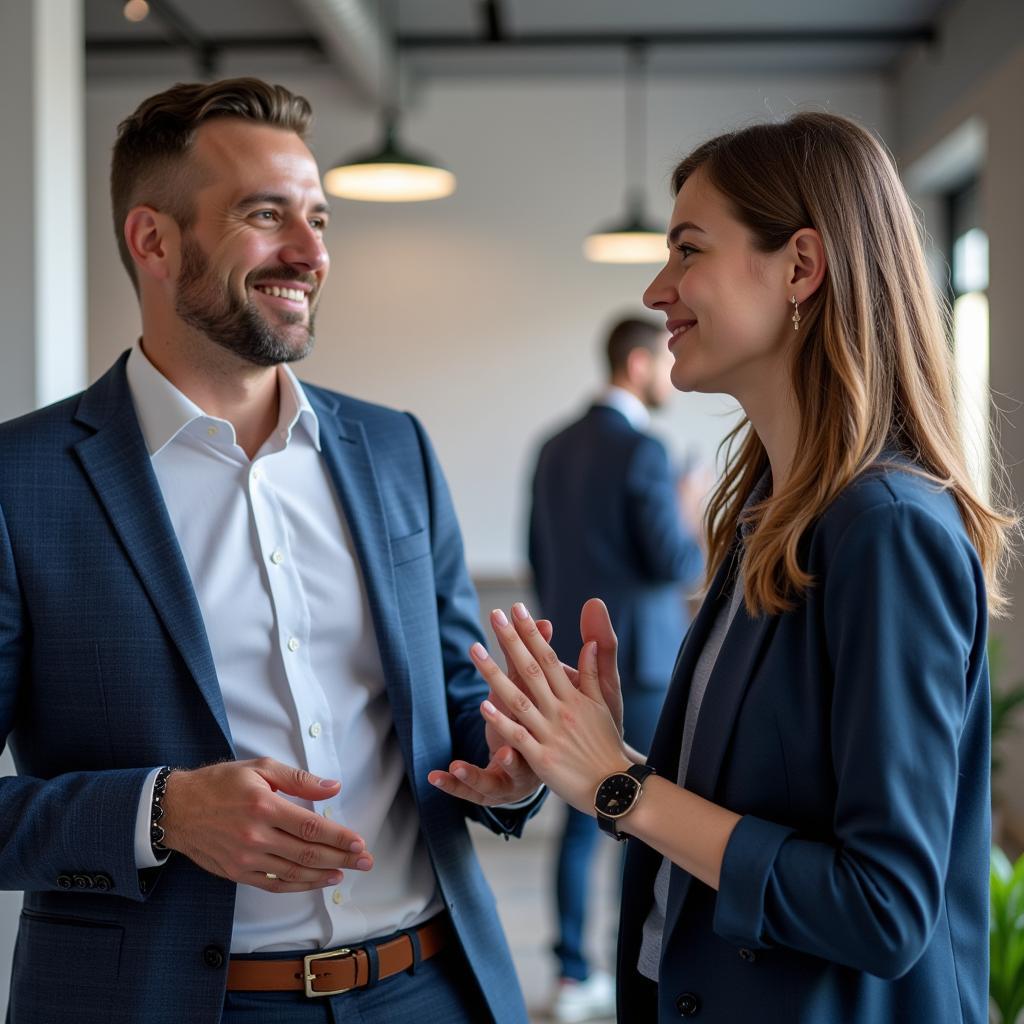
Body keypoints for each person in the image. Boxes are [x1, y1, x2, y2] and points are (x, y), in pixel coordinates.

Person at [435, 111, 1014, 1023]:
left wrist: (623, 787)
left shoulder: (886, 530)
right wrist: (586, 759)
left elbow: (885, 907)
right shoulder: (766, 517)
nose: (659, 289)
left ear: (800, 267)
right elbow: (735, 818)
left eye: (688, 250)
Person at [0, 77, 545, 1024]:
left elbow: (457, 701)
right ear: (154, 240)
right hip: (169, 1004)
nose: (311, 253)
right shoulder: (20, 482)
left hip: (431, 992)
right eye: (266, 215)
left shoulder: (394, 449)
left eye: (320, 219)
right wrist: (161, 814)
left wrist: (512, 765)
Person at [528, 316, 703, 1021]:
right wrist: (691, 508)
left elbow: (537, 554)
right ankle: (639, 967)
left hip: (577, 655)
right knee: (647, 815)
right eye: (662, 361)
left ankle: (573, 974)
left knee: (578, 819)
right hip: (648, 666)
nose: (670, 375)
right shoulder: (647, 451)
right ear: (637, 364)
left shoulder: (552, 447)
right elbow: (677, 562)